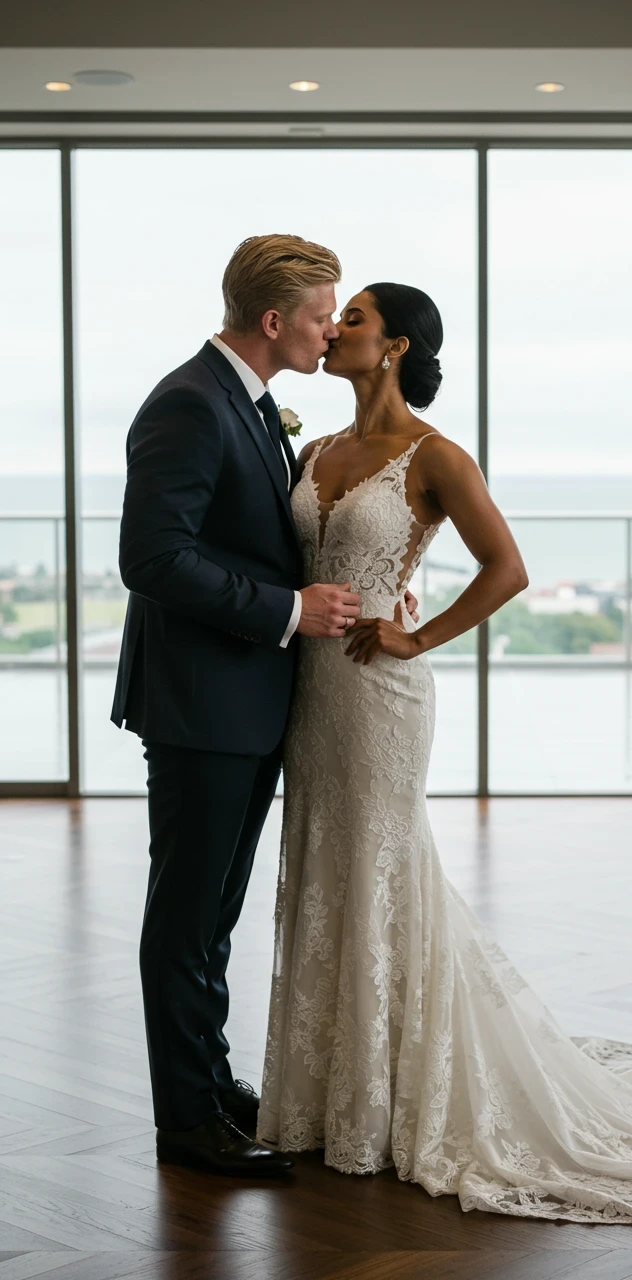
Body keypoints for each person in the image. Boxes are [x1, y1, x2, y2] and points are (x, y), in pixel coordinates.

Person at [258, 282, 632, 1222]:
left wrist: (416, 637)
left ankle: (389, 1101)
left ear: (396, 347)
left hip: (382, 693)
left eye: (356, 319)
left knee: (383, 866)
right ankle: (332, 1095)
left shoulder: (436, 457)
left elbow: (508, 569)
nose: (335, 328)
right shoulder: (314, 450)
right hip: (311, 695)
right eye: (336, 317)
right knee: (322, 865)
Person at [112, 236, 420, 1177]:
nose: (331, 334)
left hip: (244, 704)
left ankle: (211, 1086)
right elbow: (152, 559)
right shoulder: (188, 403)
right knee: (188, 916)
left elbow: (260, 539)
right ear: (276, 321)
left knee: (214, 915)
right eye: (324, 316)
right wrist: (289, 609)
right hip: (203, 706)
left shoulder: (244, 403)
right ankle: (187, 1123)